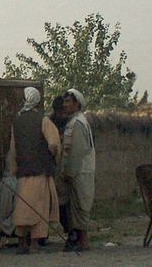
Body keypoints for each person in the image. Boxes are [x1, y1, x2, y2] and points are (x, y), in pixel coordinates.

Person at [6, 86, 61, 254]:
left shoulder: (17, 121)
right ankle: (35, 244)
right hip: (40, 173)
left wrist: (14, 169)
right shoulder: (43, 121)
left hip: (23, 174)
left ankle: (22, 243)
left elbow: (13, 149)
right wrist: (51, 157)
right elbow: (54, 143)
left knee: (22, 209)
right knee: (39, 208)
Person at [60, 88, 96, 251]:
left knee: (82, 206)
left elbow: (77, 152)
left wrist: (69, 172)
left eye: (68, 101)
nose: (65, 104)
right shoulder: (74, 121)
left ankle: (83, 241)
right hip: (76, 171)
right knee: (75, 206)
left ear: (77, 104)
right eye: (65, 101)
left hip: (81, 171)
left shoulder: (79, 123)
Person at [49, 94, 72, 240]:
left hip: (62, 164)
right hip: (54, 164)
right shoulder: (51, 123)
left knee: (63, 199)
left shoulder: (68, 122)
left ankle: (69, 229)